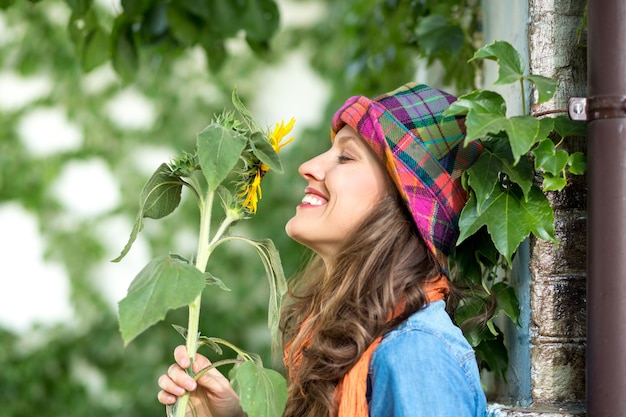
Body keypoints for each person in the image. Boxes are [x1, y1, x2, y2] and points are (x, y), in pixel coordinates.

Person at [157, 82, 487, 417]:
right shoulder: (361, 342)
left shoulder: (416, 355)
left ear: (404, 206)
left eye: (346, 156)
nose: (309, 166)